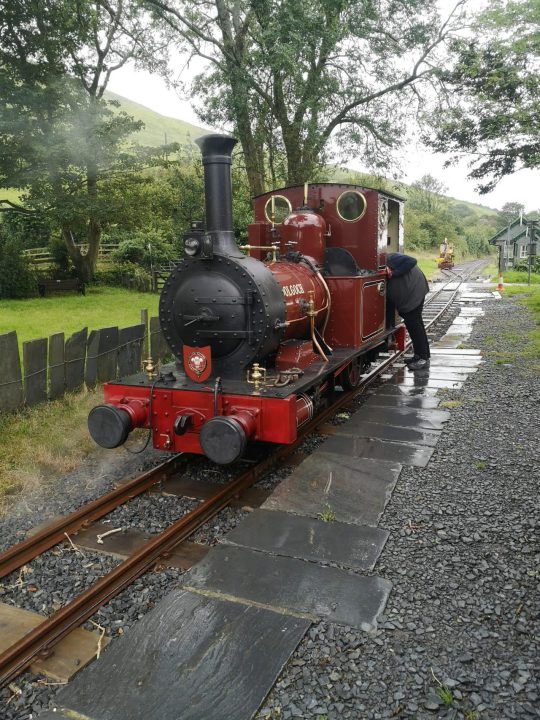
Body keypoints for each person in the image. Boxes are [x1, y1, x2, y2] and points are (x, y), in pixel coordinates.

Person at [385, 252, 430, 370]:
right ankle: (420, 355)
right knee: (415, 325)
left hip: (414, 291)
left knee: (415, 325)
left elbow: (412, 261)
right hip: (410, 294)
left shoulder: (391, 257)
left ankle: (423, 358)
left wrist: (394, 273)